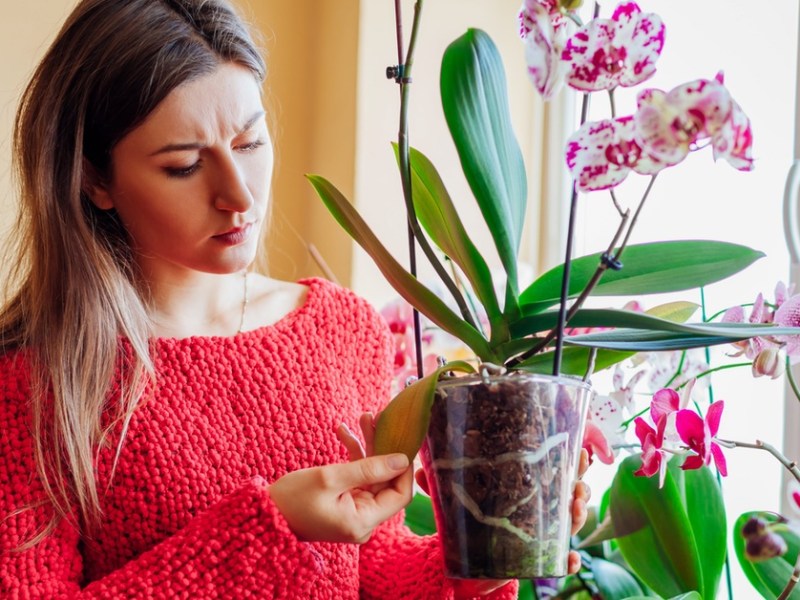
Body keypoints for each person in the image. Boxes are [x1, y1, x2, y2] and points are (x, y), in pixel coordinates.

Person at [0, 0, 590, 597]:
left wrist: (489, 553)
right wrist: (268, 528)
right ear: (93, 179)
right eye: (183, 166)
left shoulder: (340, 328)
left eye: (251, 143)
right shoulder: (34, 382)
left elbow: (372, 570)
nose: (238, 195)